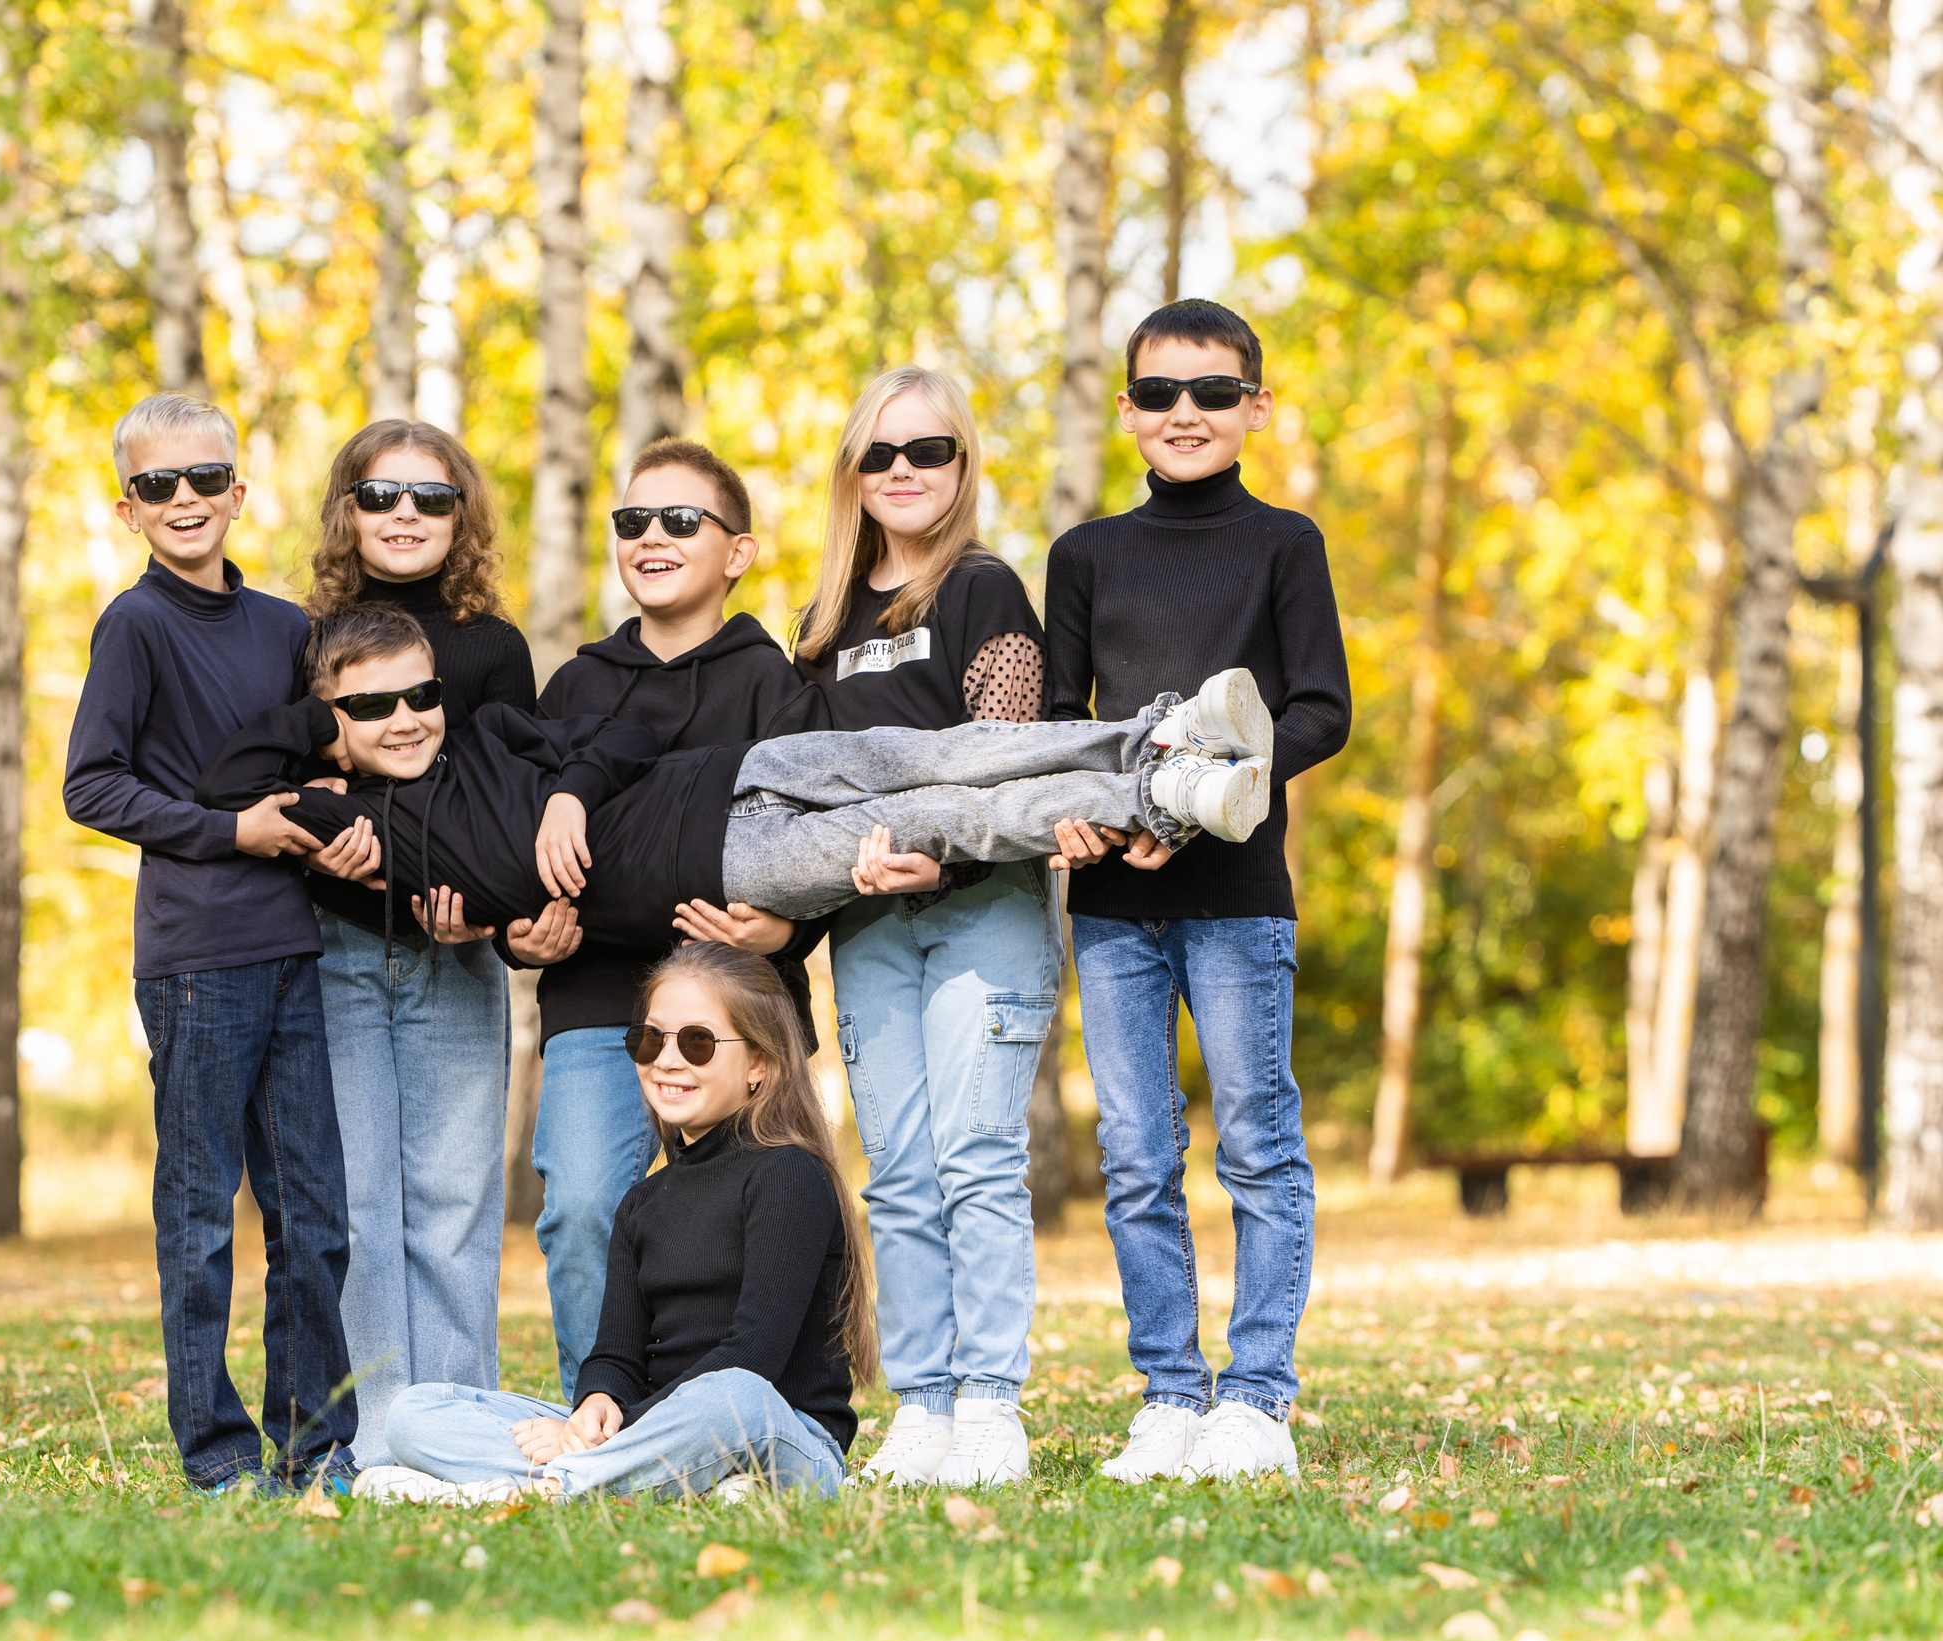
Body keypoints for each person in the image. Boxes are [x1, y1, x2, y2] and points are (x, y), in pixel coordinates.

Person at [197, 603, 1266, 956]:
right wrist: (323, 732)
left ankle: (1155, 733)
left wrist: (568, 792)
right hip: (723, 868)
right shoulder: (359, 831)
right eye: (369, 709)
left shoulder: (484, 733)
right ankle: (1159, 798)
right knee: (940, 817)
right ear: (330, 725)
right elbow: (220, 783)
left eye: (417, 695)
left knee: (938, 748)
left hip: (732, 770)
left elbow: (615, 738)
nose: (403, 720)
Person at [1043, 299, 1353, 1484]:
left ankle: (1257, 1398)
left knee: (1258, 1144)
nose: (1186, 413)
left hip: (1236, 896)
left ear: (1254, 408)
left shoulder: (1285, 545)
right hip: (1112, 904)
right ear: (1126, 410)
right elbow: (1057, 724)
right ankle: (1170, 1395)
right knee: (1134, 1154)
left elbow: (1320, 709)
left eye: (1213, 392)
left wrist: (1202, 800)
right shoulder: (1084, 556)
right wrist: (1095, 813)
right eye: (1161, 393)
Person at [58, 393, 362, 1495]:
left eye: (203, 480)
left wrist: (332, 798)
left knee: (314, 1220)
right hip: (194, 961)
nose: (183, 499)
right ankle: (219, 1456)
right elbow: (91, 784)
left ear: (238, 493)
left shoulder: (286, 630)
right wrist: (229, 831)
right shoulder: (134, 627)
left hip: (294, 947)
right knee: (198, 1221)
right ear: (129, 509)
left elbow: (317, 752)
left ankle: (317, 1447)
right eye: (157, 485)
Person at [788, 366, 1056, 1488]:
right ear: (853, 471)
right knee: (897, 1172)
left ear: (962, 464)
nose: (903, 471)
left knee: (975, 1158)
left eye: (928, 450)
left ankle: (989, 1405)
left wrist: (939, 853)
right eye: (881, 453)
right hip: (869, 927)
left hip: (983, 910)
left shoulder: (986, 590)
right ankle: (926, 1405)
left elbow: (1006, 758)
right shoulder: (821, 624)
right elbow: (804, 782)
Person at [356, 943, 878, 1503]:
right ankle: (633, 1481)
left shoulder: (789, 1175)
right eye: (650, 1039)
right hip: (649, 1433)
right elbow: (616, 1353)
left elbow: (754, 1357)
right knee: (414, 1411)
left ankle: (543, 1489)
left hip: (779, 1434)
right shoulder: (642, 1202)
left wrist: (621, 1428)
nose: (666, 1061)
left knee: (733, 1394)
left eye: (697, 1042)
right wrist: (597, 1402)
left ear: (759, 1064)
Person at [529, 437, 828, 1400]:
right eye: (633, 520)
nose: (651, 536)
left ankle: (744, 1418)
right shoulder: (574, 686)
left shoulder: (777, 686)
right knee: (582, 1207)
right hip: (597, 992)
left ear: (737, 551)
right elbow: (515, 844)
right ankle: (600, 1422)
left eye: (680, 520)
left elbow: (815, 843)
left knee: (757, 1221)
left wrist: (786, 934)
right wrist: (515, 931)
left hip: (741, 999)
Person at [298, 420, 536, 1468]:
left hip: (457, 957)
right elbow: (286, 782)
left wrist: (484, 905)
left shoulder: (495, 649)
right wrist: (330, 845)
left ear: (461, 514)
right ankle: (382, 1441)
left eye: (430, 497)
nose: (404, 514)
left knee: (454, 1204)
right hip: (334, 952)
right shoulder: (303, 640)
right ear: (346, 510)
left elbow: (508, 798)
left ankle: (459, 1436)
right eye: (380, 495)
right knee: (359, 1205)